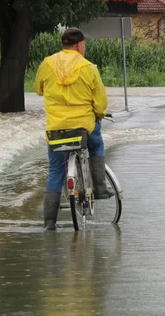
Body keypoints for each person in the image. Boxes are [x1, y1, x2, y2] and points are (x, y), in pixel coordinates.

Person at [34, 28, 111, 230]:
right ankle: (100, 188)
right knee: (96, 144)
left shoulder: (47, 63)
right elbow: (100, 101)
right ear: (79, 45)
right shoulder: (88, 67)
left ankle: (49, 222)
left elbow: (38, 89)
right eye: (84, 45)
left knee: (55, 170)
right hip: (83, 128)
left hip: (56, 130)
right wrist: (99, 114)